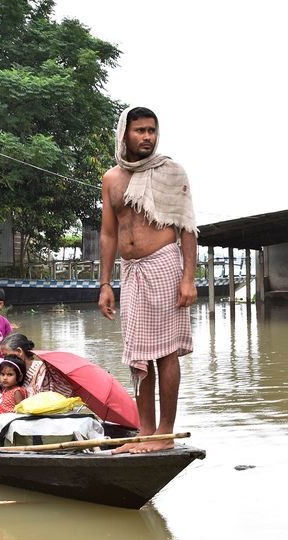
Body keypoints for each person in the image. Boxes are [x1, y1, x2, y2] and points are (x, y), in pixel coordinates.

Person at [99, 106, 197, 453]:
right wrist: (106, 283)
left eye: (152, 131)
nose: (147, 137)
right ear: (124, 133)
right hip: (132, 273)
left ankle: (165, 433)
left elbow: (187, 227)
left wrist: (189, 278)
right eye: (139, 130)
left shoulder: (171, 172)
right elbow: (109, 234)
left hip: (165, 266)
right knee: (138, 353)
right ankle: (146, 430)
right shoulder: (111, 179)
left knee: (166, 353)